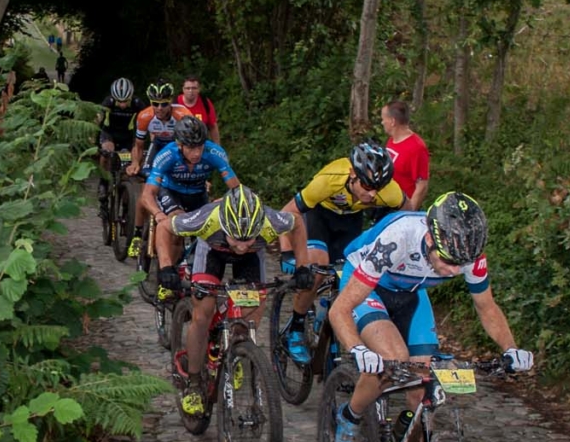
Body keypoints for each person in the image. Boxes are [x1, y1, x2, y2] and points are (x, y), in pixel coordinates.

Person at [326, 192, 534, 442]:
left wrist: (510, 349)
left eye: (459, 265)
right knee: (392, 358)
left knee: (421, 392)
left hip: (411, 293)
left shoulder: (467, 255)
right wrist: (357, 349)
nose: (453, 271)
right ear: (429, 241)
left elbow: (486, 307)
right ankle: (350, 416)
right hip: (368, 286)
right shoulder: (397, 238)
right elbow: (340, 309)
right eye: (448, 262)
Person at [168, 186, 295, 416]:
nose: (242, 245)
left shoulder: (269, 221)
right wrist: (165, 266)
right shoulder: (208, 217)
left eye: (249, 239)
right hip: (211, 254)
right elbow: (165, 226)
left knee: (248, 315)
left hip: (251, 262)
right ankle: (194, 384)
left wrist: (300, 262)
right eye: (236, 238)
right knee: (203, 314)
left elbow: (297, 222)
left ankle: (236, 349)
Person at [276, 141, 405, 366]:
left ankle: (326, 312)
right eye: (367, 187)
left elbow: (407, 214)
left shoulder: (388, 191)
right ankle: (295, 328)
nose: (372, 194)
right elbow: (288, 212)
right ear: (352, 174)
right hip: (320, 216)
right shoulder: (329, 179)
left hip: (350, 221)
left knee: (353, 276)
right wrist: (287, 251)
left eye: (378, 188)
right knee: (317, 267)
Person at [141, 115, 241, 301]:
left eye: (200, 147)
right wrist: (158, 214)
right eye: (191, 148)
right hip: (171, 191)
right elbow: (147, 194)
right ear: (180, 145)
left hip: (197, 192)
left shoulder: (215, 153)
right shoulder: (167, 155)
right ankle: (166, 274)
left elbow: (236, 189)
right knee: (178, 224)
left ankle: (197, 271)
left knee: (207, 230)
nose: (196, 153)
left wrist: (226, 200)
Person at [125, 82, 194, 258]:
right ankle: (138, 235)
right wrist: (135, 163)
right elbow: (139, 146)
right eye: (155, 103)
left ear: (171, 102)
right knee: (145, 191)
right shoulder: (145, 116)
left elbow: (193, 145)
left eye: (164, 104)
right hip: (157, 147)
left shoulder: (183, 115)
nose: (159, 108)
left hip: (178, 148)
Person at [381, 100, 430, 210]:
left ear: (392, 121)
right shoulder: (391, 141)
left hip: (401, 208)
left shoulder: (417, 147)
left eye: (383, 119)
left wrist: (409, 213)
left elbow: (422, 185)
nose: (382, 122)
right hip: (386, 205)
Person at [98, 77, 141, 183]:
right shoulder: (109, 101)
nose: (122, 105)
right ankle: (103, 182)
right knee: (107, 152)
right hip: (109, 133)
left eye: (125, 101)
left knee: (135, 155)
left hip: (127, 134)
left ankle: (124, 182)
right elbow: (98, 116)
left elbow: (147, 119)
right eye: (119, 101)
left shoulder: (137, 103)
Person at [178, 76, 220, 144]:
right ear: (183, 89)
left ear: (198, 89)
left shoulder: (205, 103)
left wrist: (217, 146)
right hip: (180, 143)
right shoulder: (175, 103)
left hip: (201, 142)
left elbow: (213, 126)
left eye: (194, 88)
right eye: (187, 88)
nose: (191, 91)